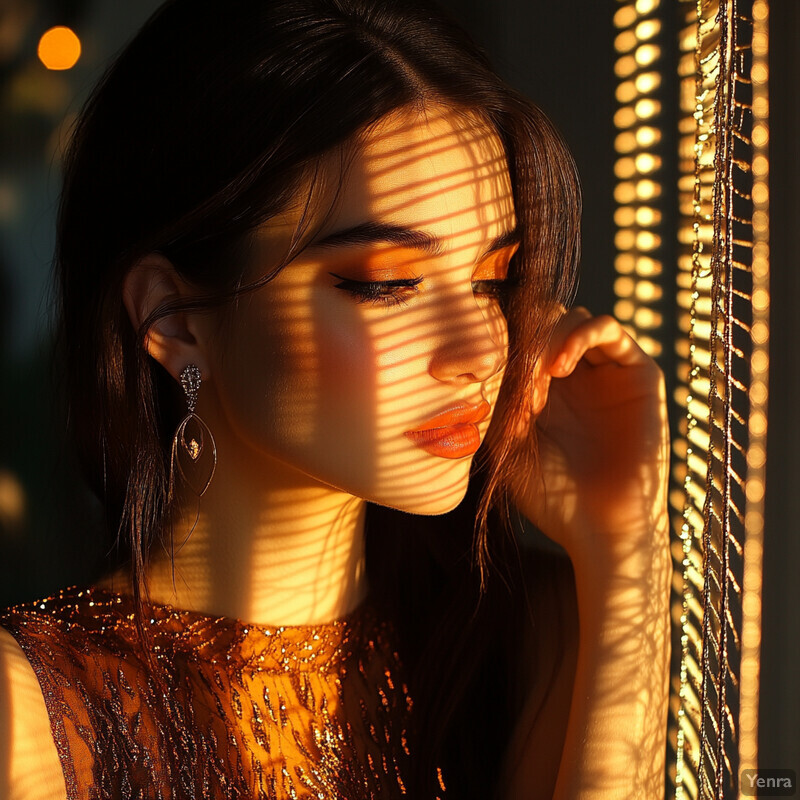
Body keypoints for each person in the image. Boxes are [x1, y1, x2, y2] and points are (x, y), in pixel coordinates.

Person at [0, 0, 672, 797]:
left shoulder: (547, 633)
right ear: (174, 319)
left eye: (493, 280)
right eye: (387, 284)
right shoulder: (31, 710)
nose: (480, 350)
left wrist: (628, 547)